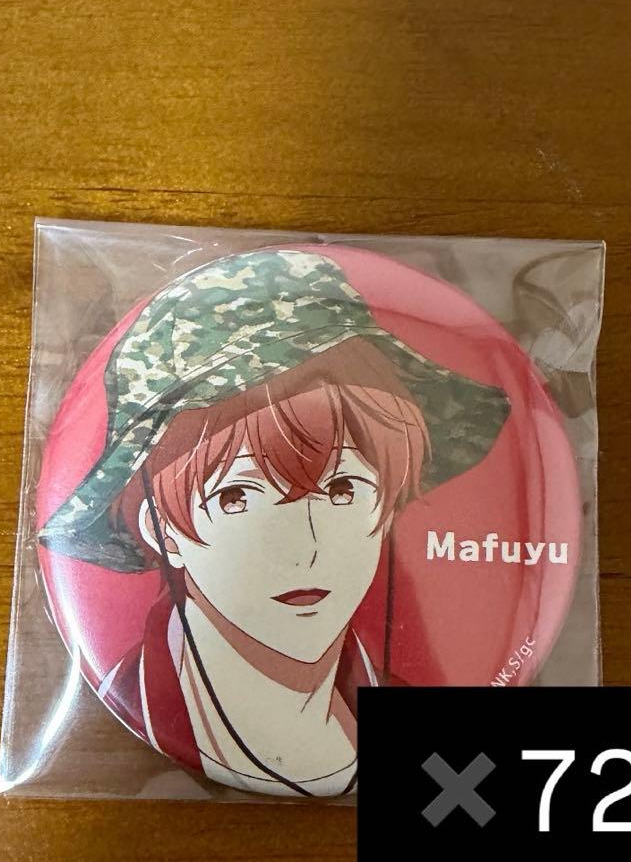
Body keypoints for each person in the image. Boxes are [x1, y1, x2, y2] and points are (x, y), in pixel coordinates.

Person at [40, 249, 509, 796]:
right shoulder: (131, 726)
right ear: (162, 530)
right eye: (237, 496)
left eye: (342, 489)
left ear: (388, 508)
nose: (305, 547)